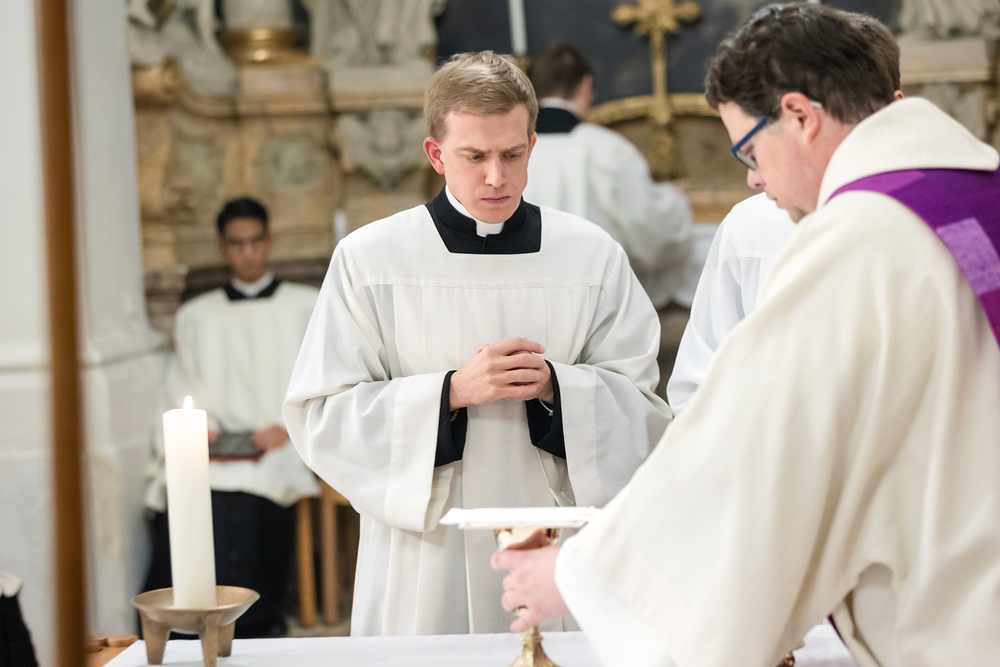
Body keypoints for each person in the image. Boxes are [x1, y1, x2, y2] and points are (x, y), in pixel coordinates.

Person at [493, 5, 1000, 667]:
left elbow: (758, 439)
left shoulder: (863, 237)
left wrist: (585, 577)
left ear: (800, 116)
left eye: (751, 152)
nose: (754, 179)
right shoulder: (974, 191)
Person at [284, 51, 670, 637]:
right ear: (436, 154)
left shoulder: (591, 257)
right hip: (427, 552)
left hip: (555, 544)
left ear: (532, 146)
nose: (496, 177)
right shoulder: (371, 260)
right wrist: (449, 394)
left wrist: (557, 387)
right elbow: (322, 414)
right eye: (474, 156)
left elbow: (642, 408)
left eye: (512, 155)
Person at [667, 13, 903, 414]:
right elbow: (699, 391)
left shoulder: (923, 220)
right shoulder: (751, 227)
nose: (753, 178)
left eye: (752, 152)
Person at [144, 197, 320, 637]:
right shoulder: (196, 316)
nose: (248, 253)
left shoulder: (307, 306)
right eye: (237, 244)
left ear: (270, 241)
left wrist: (289, 426)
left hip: (280, 442)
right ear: (223, 248)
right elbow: (183, 383)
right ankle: (182, 622)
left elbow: (324, 381)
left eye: (256, 241)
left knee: (257, 489)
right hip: (218, 445)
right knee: (186, 484)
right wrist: (199, 429)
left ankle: (255, 620)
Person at [522, 44, 692, 309]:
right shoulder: (605, 149)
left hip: (527, 302)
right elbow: (647, 227)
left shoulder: (510, 151)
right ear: (586, 86)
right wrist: (673, 198)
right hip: (595, 304)